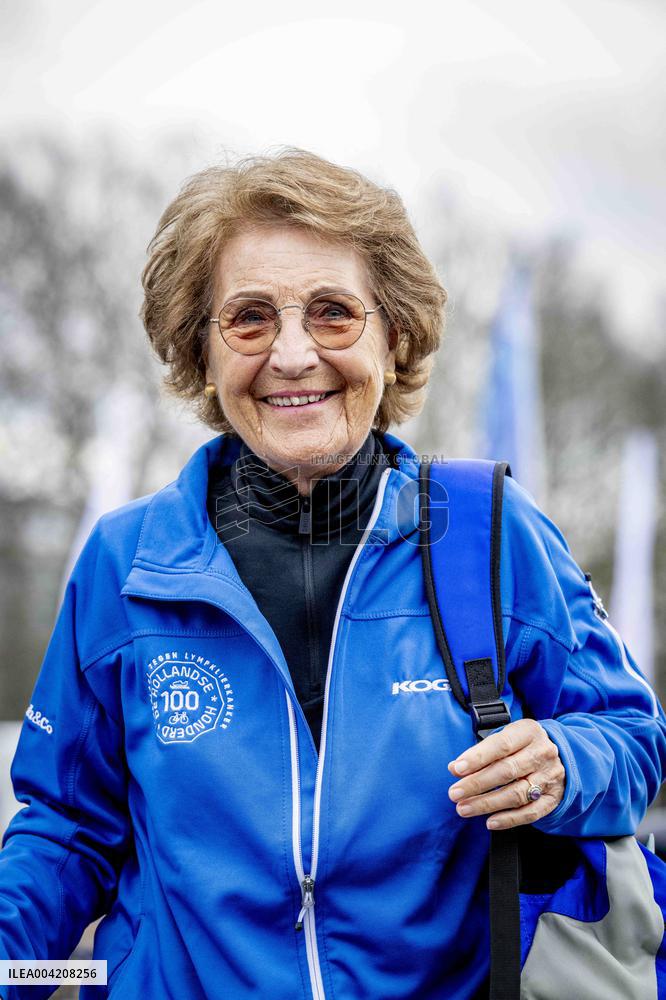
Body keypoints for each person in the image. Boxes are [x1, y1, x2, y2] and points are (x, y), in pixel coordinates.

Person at [0, 148, 664, 1000]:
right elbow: (64, 833)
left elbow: (635, 739)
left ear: (394, 335)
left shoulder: (493, 538)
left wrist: (567, 764)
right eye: (247, 319)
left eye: (333, 314)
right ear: (200, 352)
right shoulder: (125, 565)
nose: (291, 354)